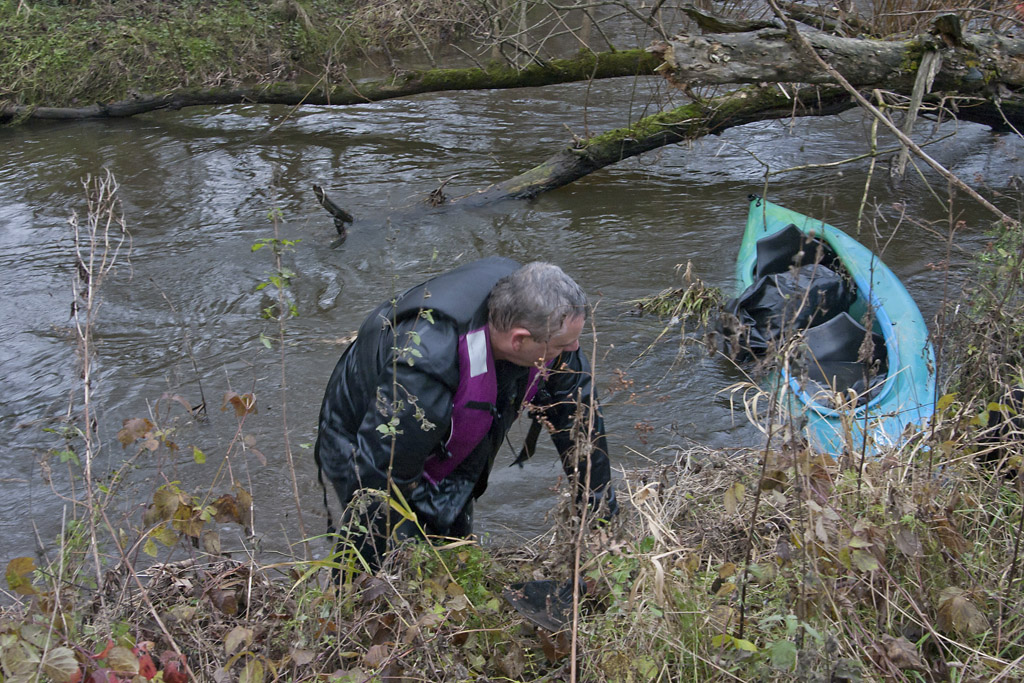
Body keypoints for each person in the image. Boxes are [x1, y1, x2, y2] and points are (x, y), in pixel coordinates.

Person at [314, 256, 618, 569]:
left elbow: (580, 423)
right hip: (367, 432)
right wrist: (363, 577)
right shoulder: (426, 361)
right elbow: (380, 474)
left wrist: (600, 525)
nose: (574, 349)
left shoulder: (549, 323)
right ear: (519, 340)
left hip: (452, 410)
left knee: (452, 545)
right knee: (394, 551)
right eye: (563, 345)